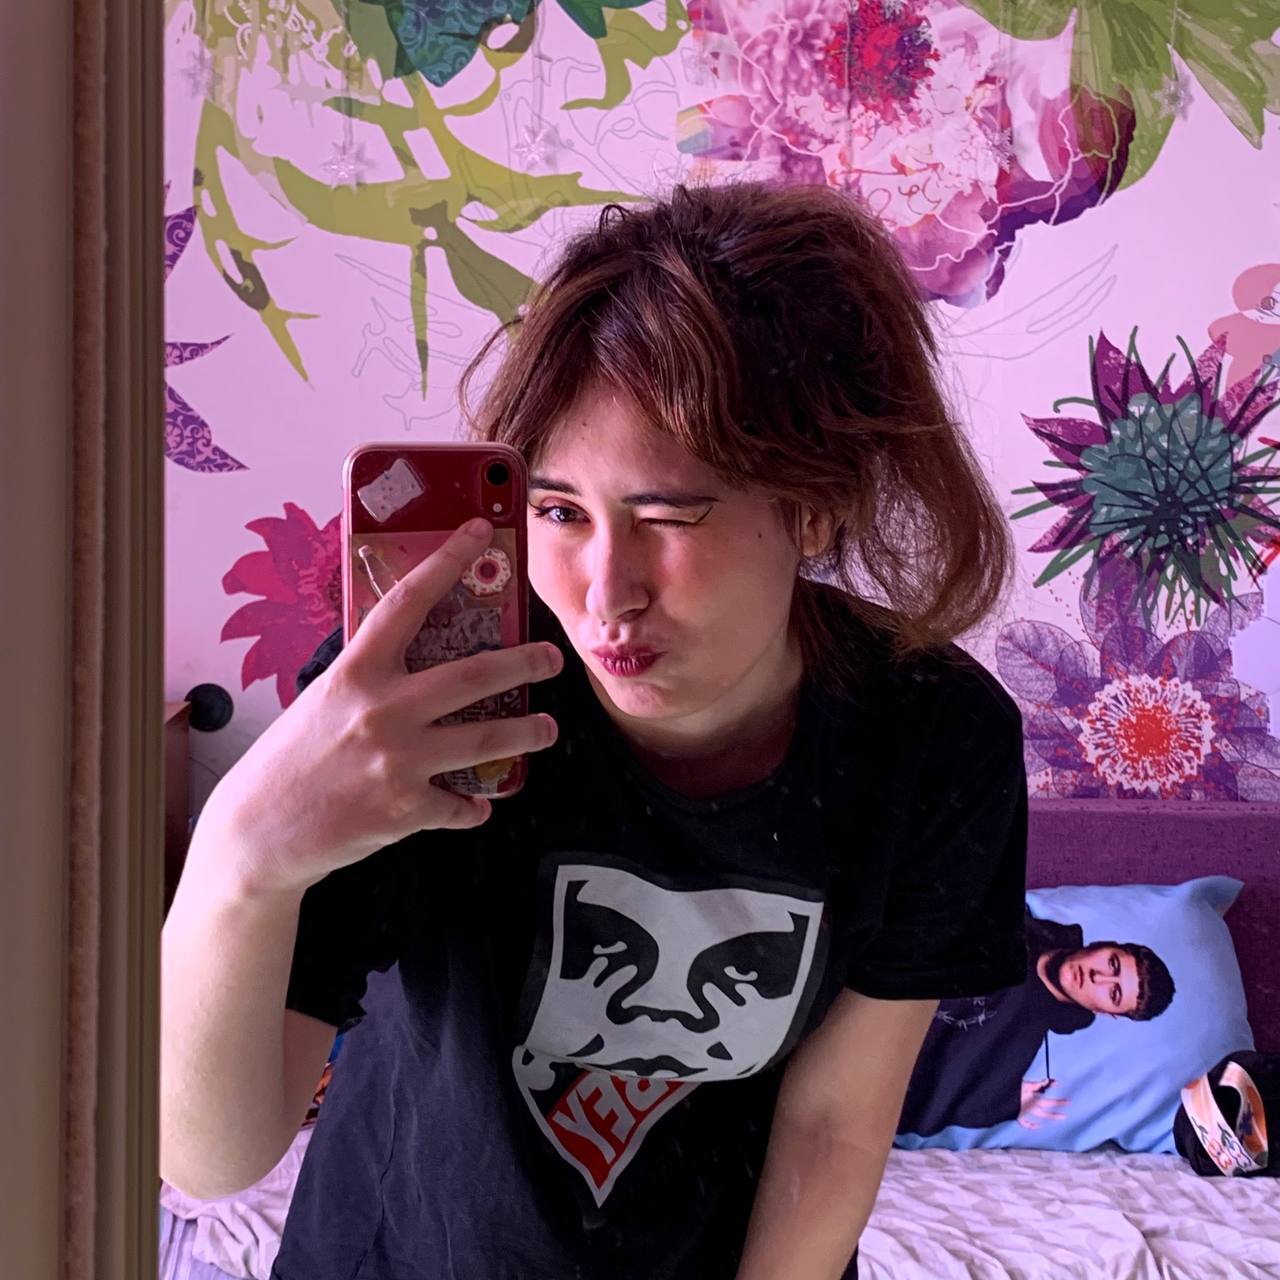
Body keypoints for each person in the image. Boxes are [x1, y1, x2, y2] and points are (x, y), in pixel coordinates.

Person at [160, 180, 1031, 1280]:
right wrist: (239, 857)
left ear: (815, 505)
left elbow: (833, 1124)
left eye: (669, 515)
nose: (605, 594)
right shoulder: (421, 699)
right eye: (560, 512)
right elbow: (211, 1159)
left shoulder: (934, 740)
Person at [897, 909, 1176, 1138]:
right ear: (1104, 944)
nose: (1098, 977)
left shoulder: (1019, 1044)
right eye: (1112, 964)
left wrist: (998, 1099)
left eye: (1113, 993)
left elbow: (923, 1104)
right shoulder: (1010, 919)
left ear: (1108, 1013)